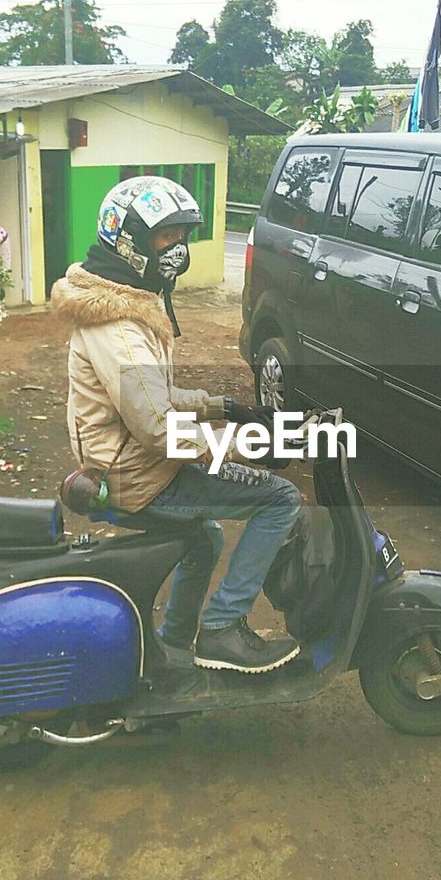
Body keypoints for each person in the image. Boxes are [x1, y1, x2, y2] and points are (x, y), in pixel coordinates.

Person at [51, 176, 301, 675]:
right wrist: (240, 445)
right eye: (167, 238)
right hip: (139, 477)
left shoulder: (128, 300)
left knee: (204, 537)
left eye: (182, 237)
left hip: (132, 463)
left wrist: (223, 406)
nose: (178, 251)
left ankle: (175, 646)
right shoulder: (118, 327)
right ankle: (223, 629)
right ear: (128, 242)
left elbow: (154, 400)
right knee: (280, 499)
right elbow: (158, 428)